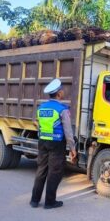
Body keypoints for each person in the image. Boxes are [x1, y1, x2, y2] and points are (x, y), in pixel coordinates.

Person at [30, 78, 77, 209]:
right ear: (59, 94)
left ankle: (34, 200)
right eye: (62, 91)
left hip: (43, 142)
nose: (63, 92)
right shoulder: (62, 109)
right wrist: (72, 148)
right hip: (56, 144)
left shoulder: (41, 108)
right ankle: (50, 202)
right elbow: (68, 131)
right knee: (54, 172)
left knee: (41, 170)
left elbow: (38, 124)